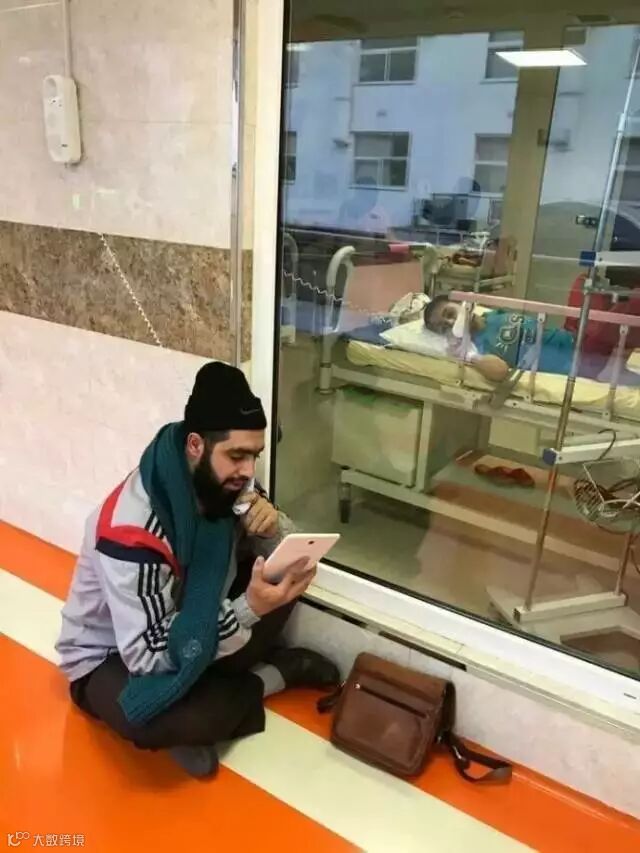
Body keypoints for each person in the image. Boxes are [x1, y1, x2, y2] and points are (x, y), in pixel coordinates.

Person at [56, 362, 339, 778]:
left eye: (254, 456)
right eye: (237, 456)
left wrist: (271, 524)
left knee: (283, 573)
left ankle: (213, 689)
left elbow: (293, 551)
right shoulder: (132, 531)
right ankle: (270, 677)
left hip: (192, 617)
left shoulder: (224, 481)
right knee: (156, 718)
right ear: (195, 445)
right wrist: (248, 610)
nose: (248, 471)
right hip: (113, 655)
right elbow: (148, 657)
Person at [424, 294, 640, 385]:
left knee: (584, 283)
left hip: (574, 336)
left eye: (449, 313)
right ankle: (611, 363)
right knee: (633, 306)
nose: (451, 322)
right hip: (582, 360)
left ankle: (617, 351)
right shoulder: (477, 346)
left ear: (460, 303)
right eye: (444, 327)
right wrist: (469, 355)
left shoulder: (494, 315)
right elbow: (500, 371)